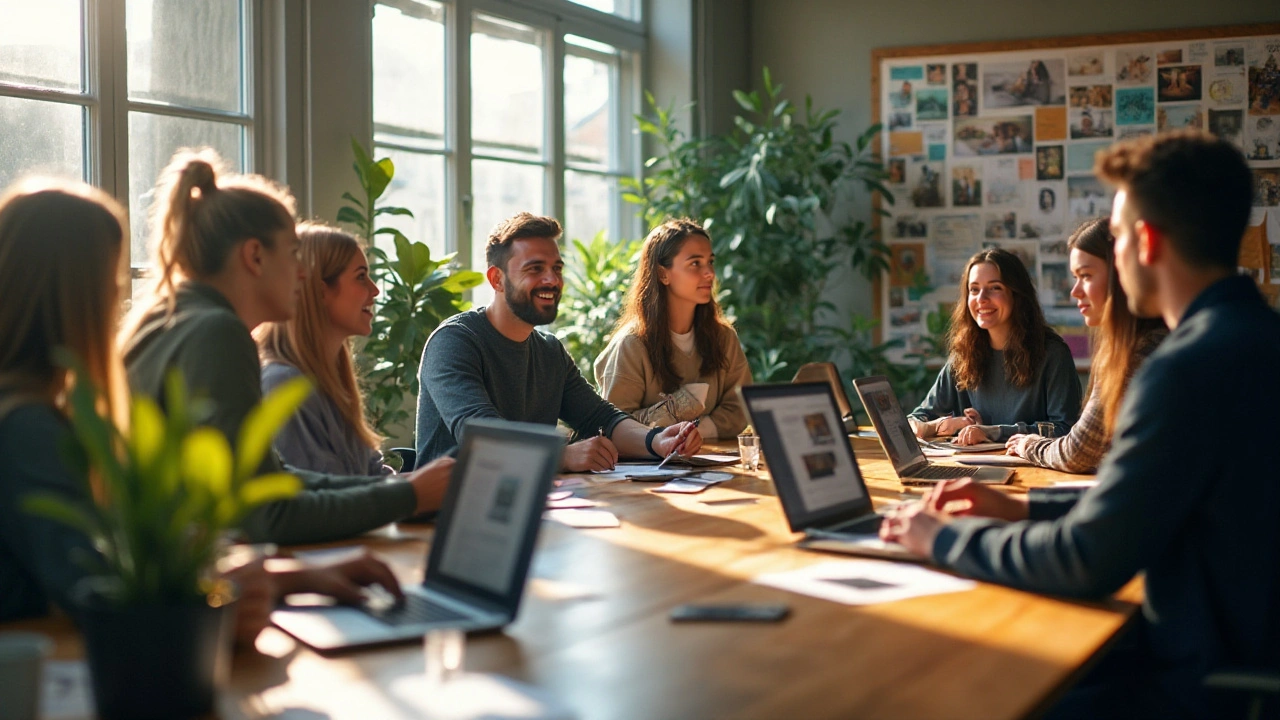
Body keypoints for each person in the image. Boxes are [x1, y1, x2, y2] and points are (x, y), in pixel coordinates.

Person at [882, 130, 1280, 719]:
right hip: (1239, 640)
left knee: (957, 689)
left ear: (1144, 242)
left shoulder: (1182, 372)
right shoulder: (1254, 339)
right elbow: (1141, 504)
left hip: (1205, 679)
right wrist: (1021, 508)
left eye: (1114, 241)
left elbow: (1086, 559)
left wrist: (938, 536)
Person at [0, 180, 407, 646]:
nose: (114, 296)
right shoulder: (26, 426)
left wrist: (286, 577)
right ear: (73, 293)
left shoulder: (35, 411)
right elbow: (100, 592)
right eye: (108, 279)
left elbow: (120, 562)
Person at [120, 149, 454, 545]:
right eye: (294, 254)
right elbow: (265, 514)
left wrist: (405, 492)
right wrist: (410, 495)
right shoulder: (218, 332)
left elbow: (274, 481)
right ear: (255, 256)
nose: (302, 272)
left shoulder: (171, 316)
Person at [415, 212, 702, 471]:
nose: (552, 280)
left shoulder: (549, 351)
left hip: (527, 507)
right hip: (448, 517)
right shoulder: (454, 341)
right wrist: (562, 456)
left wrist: (657, 441)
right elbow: (481, 434)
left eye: (557, 268)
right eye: (535, 269)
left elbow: (599, 417)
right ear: (496, 279)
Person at [1004, 219, 1166, 473]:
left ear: (1121, 275)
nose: (1075, 292)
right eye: (1075, 278)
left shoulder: (1140, 352)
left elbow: (1079, 452)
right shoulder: (1137, 344)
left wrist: (1029, 445)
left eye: (1086, 276)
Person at [594, 219, 752, 441]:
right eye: (695, 263)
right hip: (645, 473)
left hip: (716, 469)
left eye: (710, 262)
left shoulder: (724, 338)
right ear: (663, 274)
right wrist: (676, 418)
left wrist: (694, 433)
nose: (709, 273)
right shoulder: (632, 344)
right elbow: (614, 424)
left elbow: (740, 407)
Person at [907, 247, 1081, 445]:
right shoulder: (964, 354)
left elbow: (1065, 428)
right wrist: (937, 426)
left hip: (1035, 470)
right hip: (976, 470)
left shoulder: (1053, 354)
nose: (981, 299)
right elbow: (916, 419)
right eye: (974, 289)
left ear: (1017, 294)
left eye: (995, 287)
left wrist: (992, 432)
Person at [255, 223, 389, 476]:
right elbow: (321, 503)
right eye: (361, 276)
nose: (375, 290)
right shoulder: (285, 386)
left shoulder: (331, 380)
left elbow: (373, 476)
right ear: (319, 290)